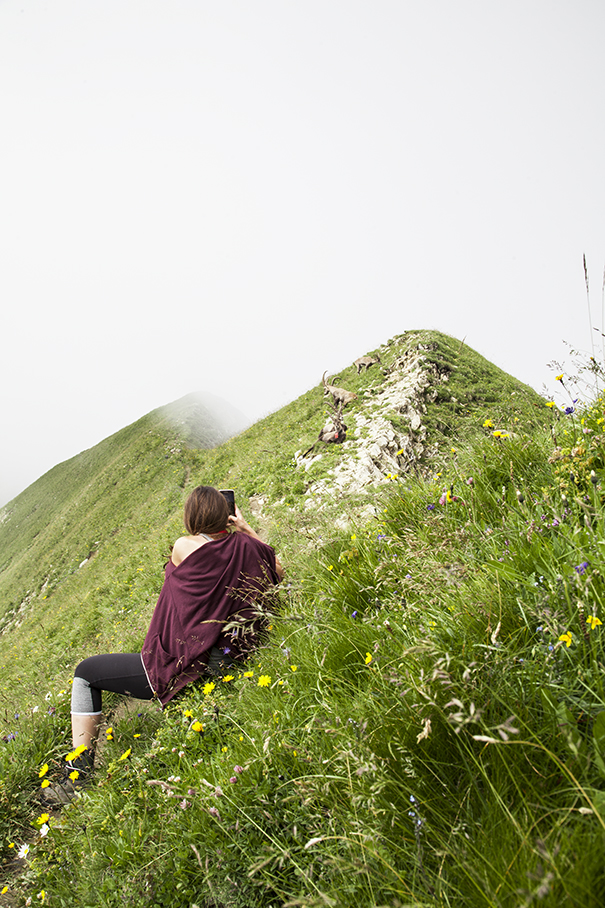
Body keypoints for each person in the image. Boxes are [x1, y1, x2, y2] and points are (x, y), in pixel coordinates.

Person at [52, 486, 282, 796]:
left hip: (183, 659)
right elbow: (277, 569)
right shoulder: (249, 548)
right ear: (225, 515)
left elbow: (191, 558)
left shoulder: (184, 546)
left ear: (192, 517)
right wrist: (243, 529)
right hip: (234, 653)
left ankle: (76, 777)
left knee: (85, 673)